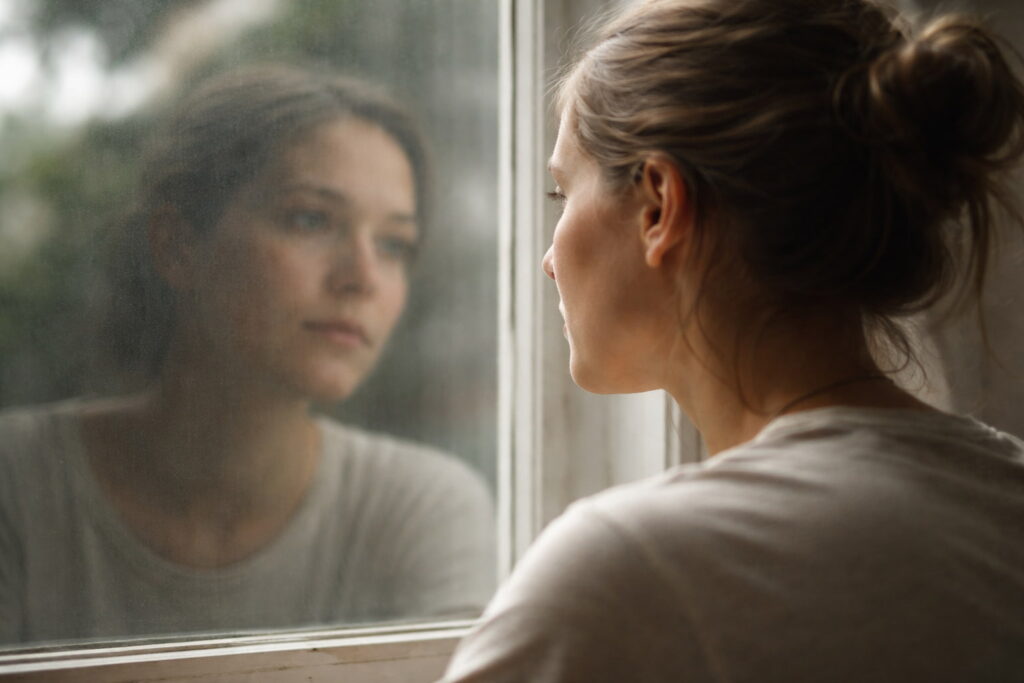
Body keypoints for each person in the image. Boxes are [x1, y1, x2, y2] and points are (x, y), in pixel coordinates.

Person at [441, 0, 1024, 680]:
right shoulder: (1005, 499)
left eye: (561, 193)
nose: (548, 256)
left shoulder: (628, 574)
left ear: (659, 204)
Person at [0, 66, 494, 645]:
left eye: (393, 244)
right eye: (310, 219)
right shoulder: (17, 483)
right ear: (178, 246)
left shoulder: (422, 510)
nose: (362, 278)